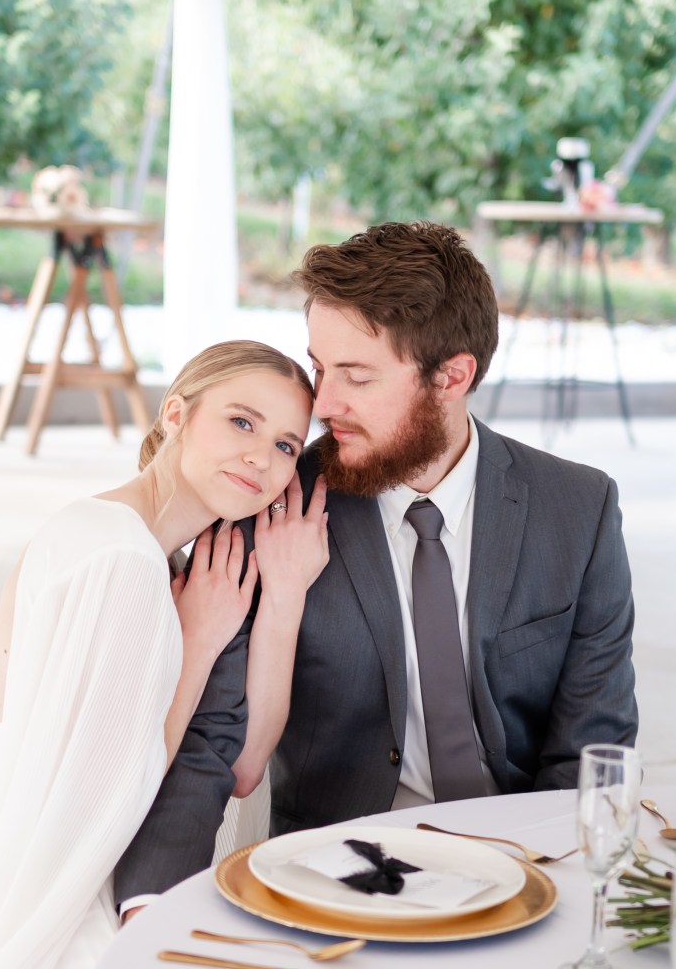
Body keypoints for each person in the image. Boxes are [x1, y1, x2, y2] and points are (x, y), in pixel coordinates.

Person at [115, 221, 637, 911]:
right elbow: (208, 746)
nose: (322, 405)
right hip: (332, 874)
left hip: (524, 868)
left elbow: (592, 745)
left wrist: (559, 894)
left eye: (356, 376)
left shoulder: (578, 509)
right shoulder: (270, 500)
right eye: (319, 367)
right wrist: (147, 908)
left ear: (452, 377)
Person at [0, 341, 328, 969]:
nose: (262, 455)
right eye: (241, 420)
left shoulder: (138, 549)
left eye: (287, 444)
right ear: (175, 414)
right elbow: (109, 796)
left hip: (39, 891)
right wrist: (196, 646)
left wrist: (283, 597)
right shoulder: (122, 560)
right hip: (72, 923)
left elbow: (247, 764)